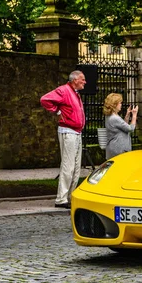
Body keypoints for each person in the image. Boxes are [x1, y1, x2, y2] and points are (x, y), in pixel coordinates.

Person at [40, 70, 86, 209]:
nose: (85, 82)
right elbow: (45, 99)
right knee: (68, 165)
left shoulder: (73, 93)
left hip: (76, 132)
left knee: (76, 167)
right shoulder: (64, 90)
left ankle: (70, 196)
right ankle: (61, 199)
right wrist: (58, 111)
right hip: (69, 132)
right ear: (74, 80)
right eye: (82, 79)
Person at [103, 93, 138, 159]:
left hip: (113, 148)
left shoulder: (110, 116)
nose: (121, 105)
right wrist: (134, 115)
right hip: (119, 149)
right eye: (120, 103)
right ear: (115, 104)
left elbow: (123, 127)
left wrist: (127, 115)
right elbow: (131, 129)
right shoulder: (115, 118)